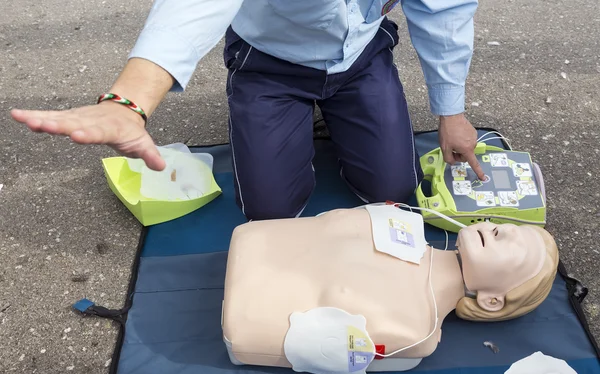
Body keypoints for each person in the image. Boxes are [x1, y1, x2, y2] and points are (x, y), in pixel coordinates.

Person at [10, 0, 485, 221]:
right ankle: (291, 115)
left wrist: (451, 111)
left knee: (392, 193)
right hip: (270, 64)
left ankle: (335, 116)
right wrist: (131, 99)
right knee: (271, 215)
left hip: (360, 58)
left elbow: (444, 9)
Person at [221, 206, 558, 374]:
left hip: (243, 318)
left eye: (518, 246)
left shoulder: (416, 330)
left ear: (493, 300)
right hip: (253, 243)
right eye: (509, 226)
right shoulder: (402, 221)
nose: (504, 231)